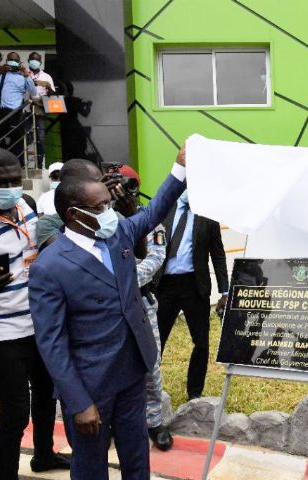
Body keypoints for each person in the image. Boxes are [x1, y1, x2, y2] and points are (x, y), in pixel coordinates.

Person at [28, 146, 187, 479]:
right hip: (90, 385)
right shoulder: (49, 266)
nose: (109, 211)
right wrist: (78, 402)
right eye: (100, 207)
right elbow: (52, 343)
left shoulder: (118, 235)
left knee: (136, 457)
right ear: (74, 214)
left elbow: (154, 211)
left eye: (108, 204)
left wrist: (179, 169)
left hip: (131, 371)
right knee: (90, 467)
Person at [0, 148, 69, 479]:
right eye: (1, 182)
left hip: (39, 326)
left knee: (44, 398)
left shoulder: (25, 204)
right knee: (14, 413)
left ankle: (43, 455)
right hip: (1, 335)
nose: (9, 187)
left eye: (14, 179)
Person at [118, 165, 174, 451]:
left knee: (150, 365)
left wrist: (120, 282)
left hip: (141, 302)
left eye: (130, 185)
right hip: (110, 309)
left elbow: (154, 260)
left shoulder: (149, 220)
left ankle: (154, 421)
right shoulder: (98, 220)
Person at [155, 188, 229, 400]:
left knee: (202, 342)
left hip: (194, 286)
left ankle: (194, 393)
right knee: (156, 340)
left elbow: (218, 254)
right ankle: (148, 388)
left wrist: (224, 291)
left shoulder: (207, 215)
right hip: (164, 286)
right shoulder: (164, 209)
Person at [0, 52, 38, 164]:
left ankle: (18, 165)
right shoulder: (1, 73)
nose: (12, 61)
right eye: (10, 59)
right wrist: (0, 71)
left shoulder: (23, 76)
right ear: (6, 61)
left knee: (16, 141)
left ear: (19, 62)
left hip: (15, 113)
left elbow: (33, 92)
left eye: (15, 60)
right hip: (0, 111)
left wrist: (26, 76)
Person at [27, 52, 55, 165]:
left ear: (41, 62)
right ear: (29, 61)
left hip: (40, 110)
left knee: (41, 137)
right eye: (33, 59)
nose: (35, 61)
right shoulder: (24, 74)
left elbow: (53, 93)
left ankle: (40, 162)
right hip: (26, 110)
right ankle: (27, 162)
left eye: (37, 59)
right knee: (27, 136)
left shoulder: (46, 76)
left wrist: (47, 87)